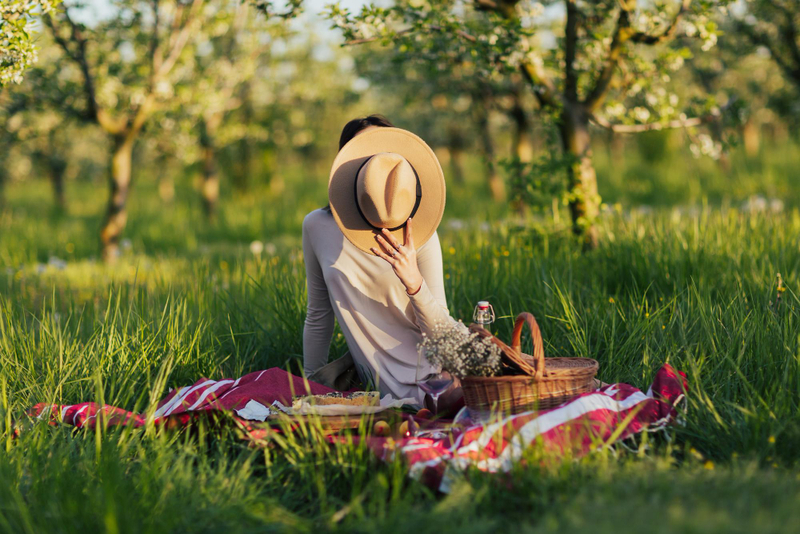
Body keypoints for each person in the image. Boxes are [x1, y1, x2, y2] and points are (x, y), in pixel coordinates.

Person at [302, 115, 461, 410]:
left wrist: (413, 283)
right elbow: (318, 314)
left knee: (466, 399)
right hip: (375, 379)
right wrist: (311, 383)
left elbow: (443, 331)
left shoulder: (421, 232)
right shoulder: (317, 226)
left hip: (431, 374)